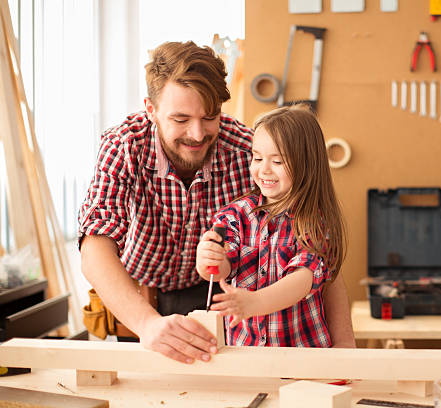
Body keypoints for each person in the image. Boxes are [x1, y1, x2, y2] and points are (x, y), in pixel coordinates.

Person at [78, 41, 355, 364]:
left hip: (221, 297)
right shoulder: (124, 146)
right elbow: (94, 248)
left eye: (210, 117)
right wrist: (147, 323)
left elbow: (317, 254)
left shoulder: (247, 151)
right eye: (180, 119)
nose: (197, 134)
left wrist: (344, 344)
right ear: (151, 109)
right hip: (139, 298)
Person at [196, 105, 345, 347]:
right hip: (247, 358)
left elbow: (303, 279)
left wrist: (255, 302)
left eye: (277, 161)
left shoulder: (313, 223)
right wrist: (208, 259)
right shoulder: (237, 214)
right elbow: (221, 268)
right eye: (257, 158)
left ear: (306, 164)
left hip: (303, 357)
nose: (263, 169)